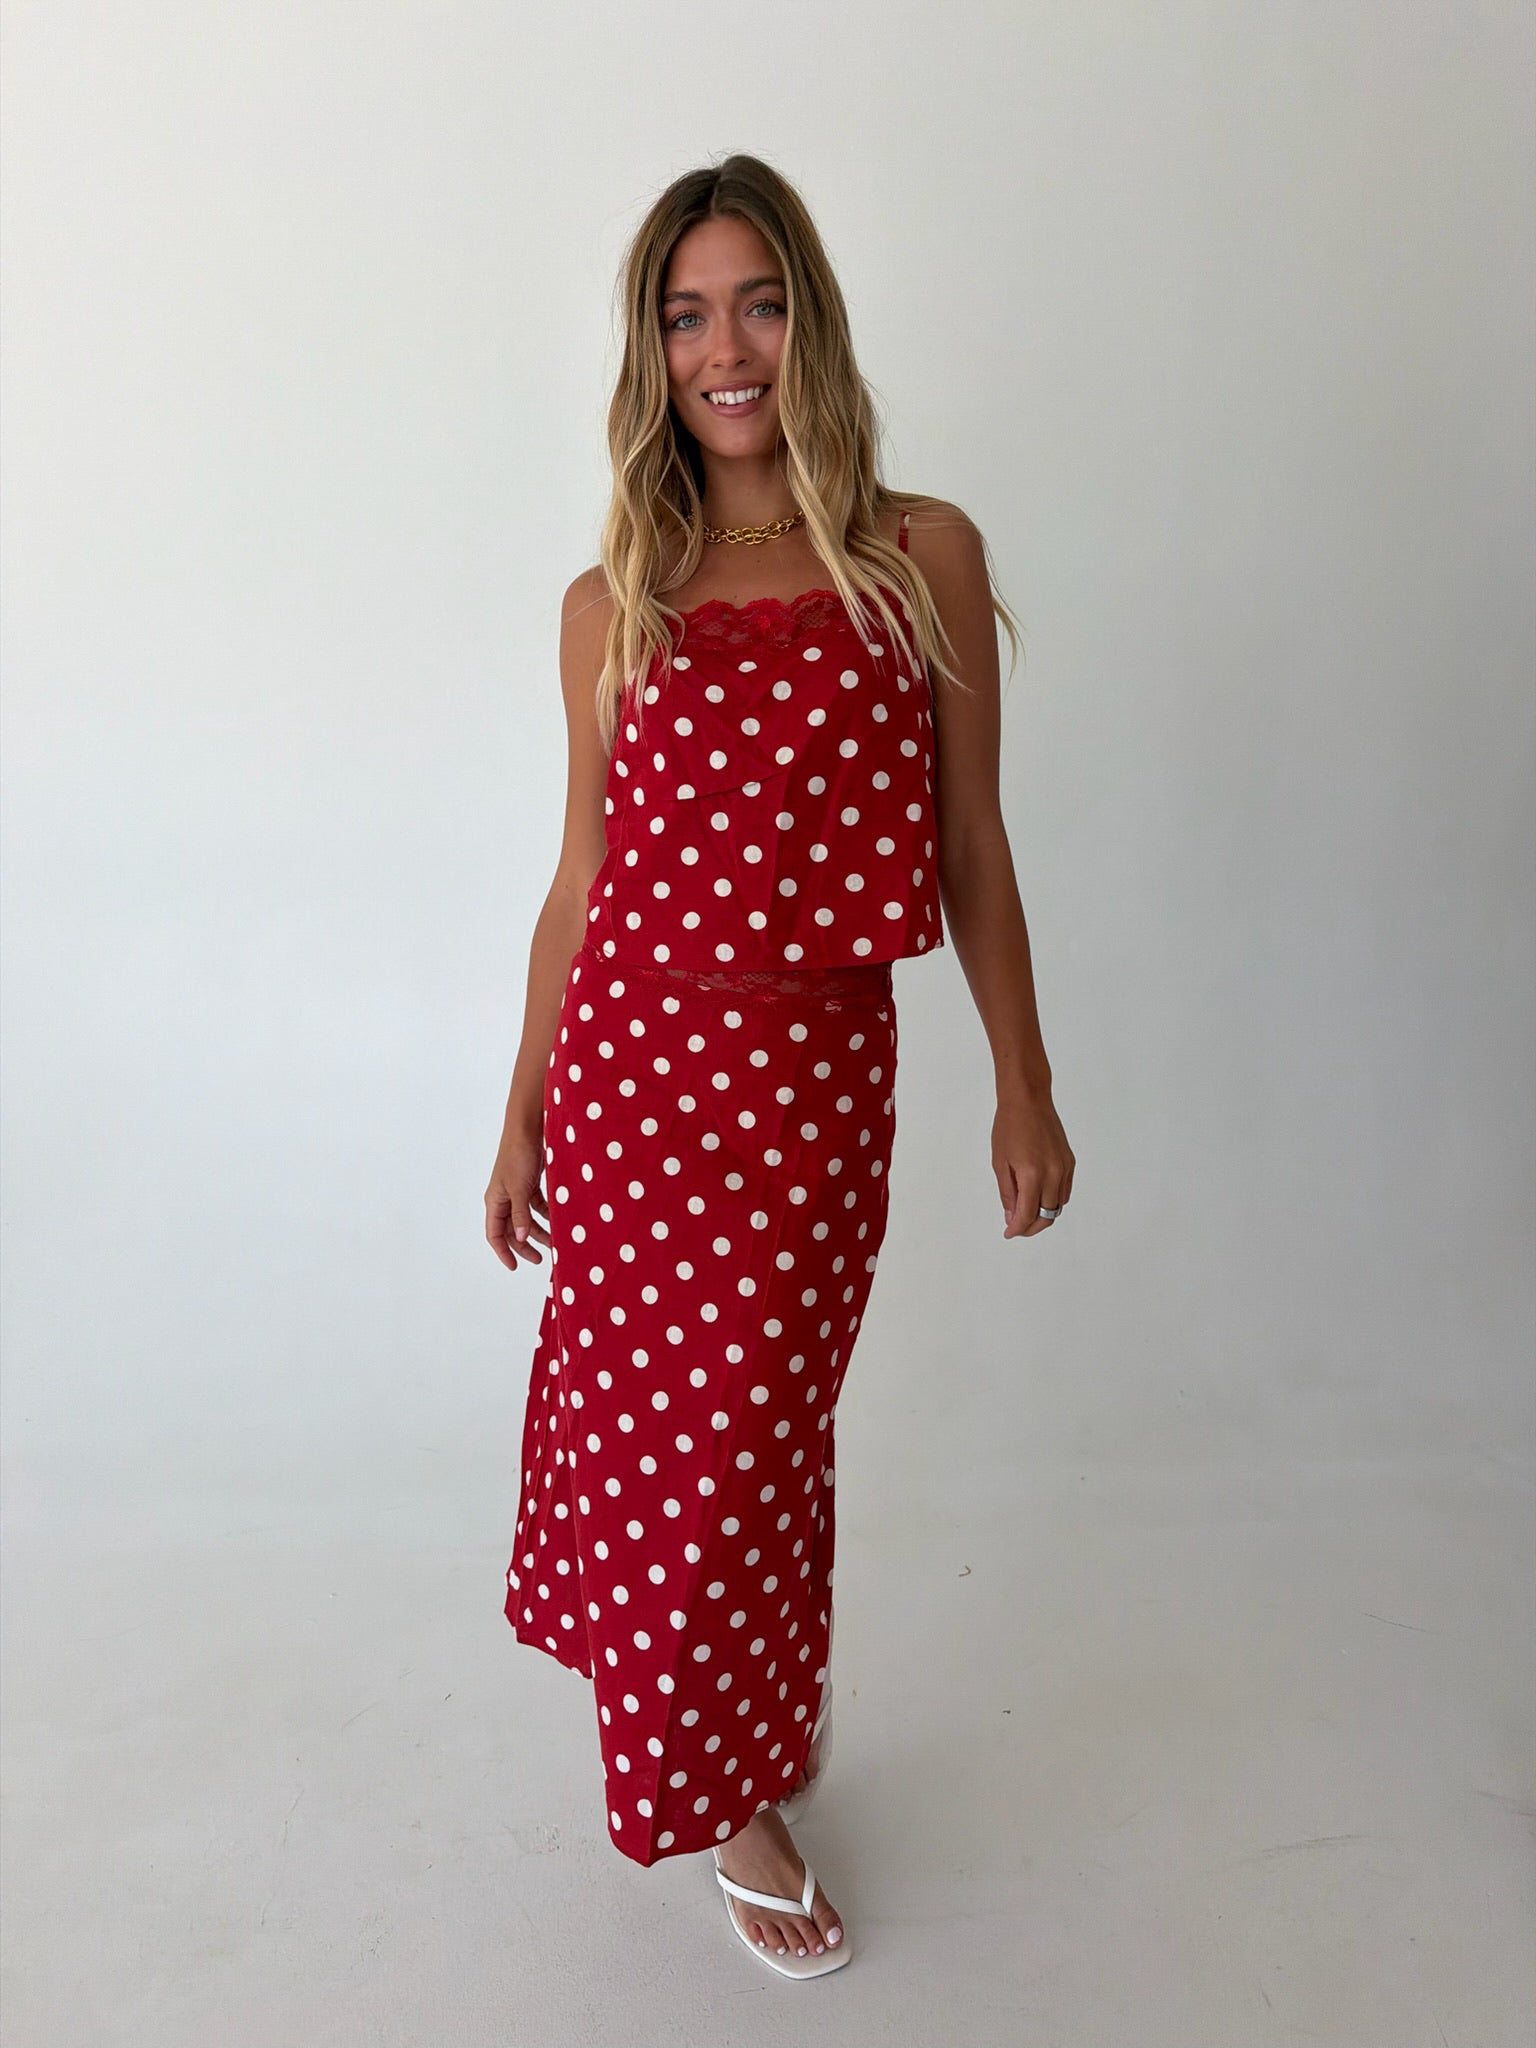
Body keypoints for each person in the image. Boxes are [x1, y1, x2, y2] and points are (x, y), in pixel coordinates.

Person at [485, 152, 1075, 1982]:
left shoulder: (919, 557)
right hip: (635, 1083)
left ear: (806, 319)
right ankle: (732, 1795)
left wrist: (1025, 1081)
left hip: (813, 1089)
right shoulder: (615, 599)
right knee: (676, 1451)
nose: (722, 348)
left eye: (755, 303)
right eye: (685, 316)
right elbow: (582, 880)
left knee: (757, 1439)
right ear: (651, 352)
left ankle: (746, 1703)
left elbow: (970, 846)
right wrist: (519, 1110)